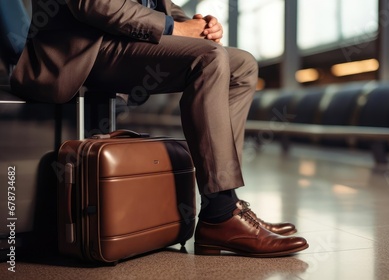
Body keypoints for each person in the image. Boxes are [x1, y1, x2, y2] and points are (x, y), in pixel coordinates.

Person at [10, 0, 308, 257]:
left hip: (126, 38)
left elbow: (155, 5)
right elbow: (93, 5)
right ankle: (221, 213)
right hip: (84, 48)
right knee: (209, 57)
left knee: (242, 64)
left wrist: (198, 24)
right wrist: (172, 28)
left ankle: (224, 204)